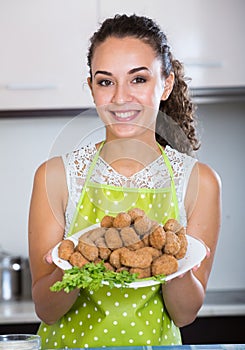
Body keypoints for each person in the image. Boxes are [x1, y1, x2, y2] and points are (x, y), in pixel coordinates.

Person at [28, 14, 221, 349]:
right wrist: (71, 266)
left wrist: (174, 262)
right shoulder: (56, 176)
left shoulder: (199, 181)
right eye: (106, 82)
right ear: (91, 88)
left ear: (166, 84)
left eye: (138, 80)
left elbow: (185, 313)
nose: (120, 98)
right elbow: (46, 309)